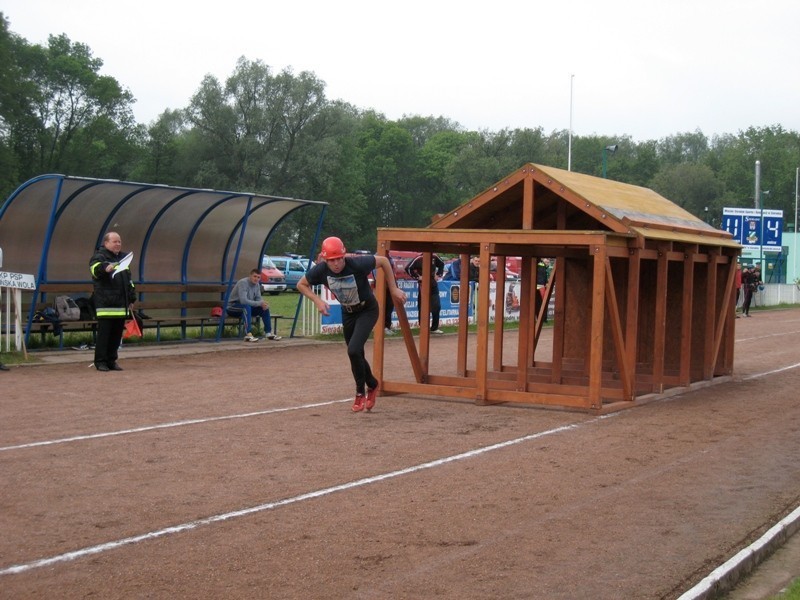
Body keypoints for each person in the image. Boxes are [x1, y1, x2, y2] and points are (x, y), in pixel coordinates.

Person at [297, 236, 406, 413]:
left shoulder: (356, 264)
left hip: (367, 310)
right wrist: (317, 300)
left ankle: (359, 393)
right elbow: (301, 284)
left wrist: (393, 288)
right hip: (348, 312)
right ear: (325, 259)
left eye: (339, 258)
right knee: (356, 354)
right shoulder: (321, 270)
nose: (337, 264)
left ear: (344, 254)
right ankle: (372, 384)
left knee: (353, 349)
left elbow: (384, 261)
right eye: (332, 260)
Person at [89, 231, 136, 371]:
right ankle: (100, 362)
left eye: (119, 242)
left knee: (116, 336)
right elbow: (95, 269)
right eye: (115, 241)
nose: (118, 244)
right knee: (104, 335)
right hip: (106, 305)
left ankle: (111, 360)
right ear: (106, 243)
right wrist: (105, 268)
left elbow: (129, 281)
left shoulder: (124, 259)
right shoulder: (99, 256)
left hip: (121, 305)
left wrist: (132, 297)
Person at [227, 268, 282, 341]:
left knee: (264, 308)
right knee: (246, 307)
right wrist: (259, 303)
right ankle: (248, 334)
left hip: (248, 308)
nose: (256, 279)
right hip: (233, 307)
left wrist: (263, 304)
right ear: (250, 276)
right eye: (254, 276)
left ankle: (268, 333)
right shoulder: (243, 283)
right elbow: (243, 301)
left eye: (258, 277)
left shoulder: (257, 285)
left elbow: (259, 299)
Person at [405, 252, 445, 334]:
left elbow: (441, 264)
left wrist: (438, 275)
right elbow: (408, 268)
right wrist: (417, 277)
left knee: (437, 306)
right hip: (423, 284)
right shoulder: (419, 258)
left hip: (433, 284)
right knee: (423, 306)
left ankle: (434, 328)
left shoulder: (434, 256)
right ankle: (423, 327)